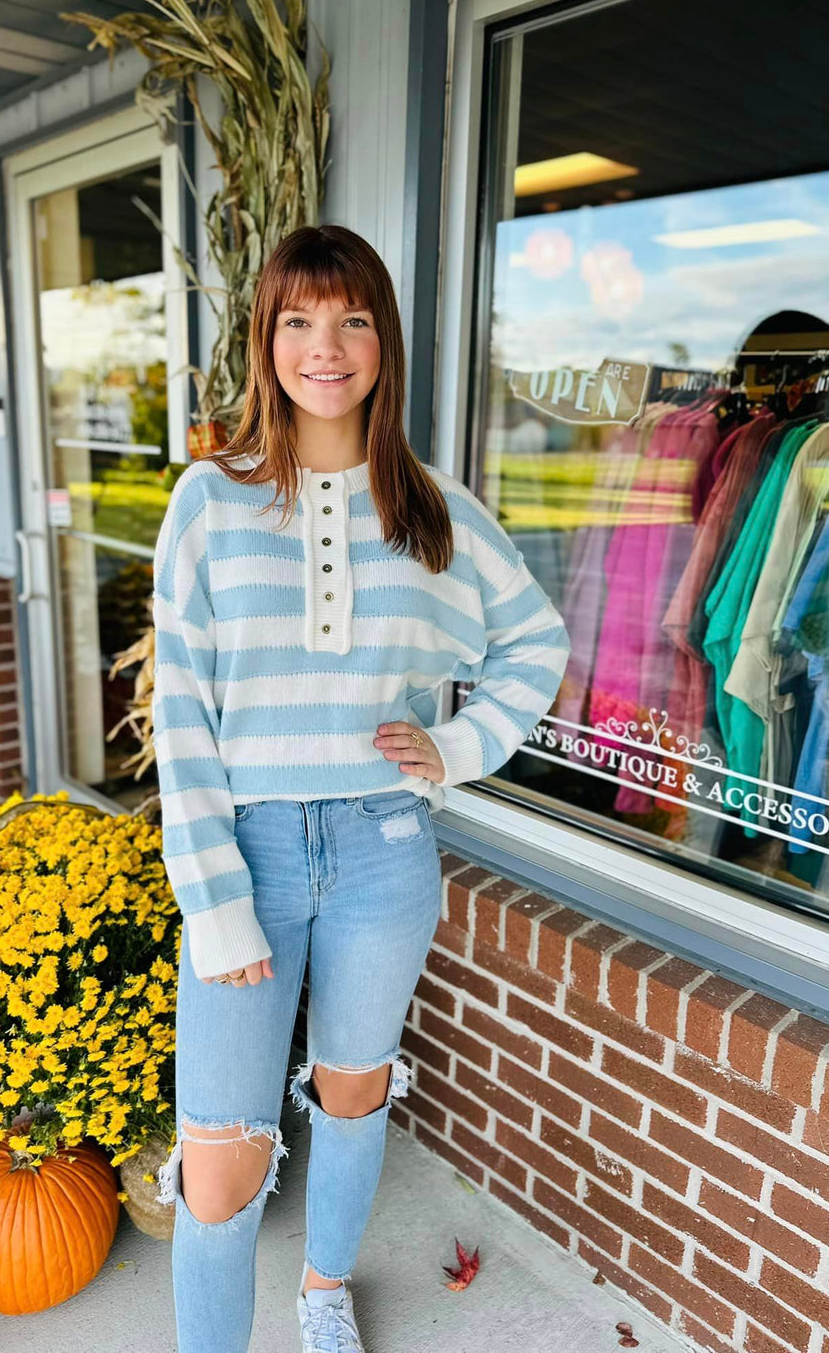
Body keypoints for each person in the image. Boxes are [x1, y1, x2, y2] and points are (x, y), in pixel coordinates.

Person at [150, 224, 570, 1353]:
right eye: (297, 319)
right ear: (265, 339)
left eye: (351, 319)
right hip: (247, 851)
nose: (323, 346)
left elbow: (534, 640)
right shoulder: (210, 499)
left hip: (385, 850)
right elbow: (180, 710)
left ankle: (324, 1289)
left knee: (352, 1092)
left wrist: (463, 745)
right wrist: (214, 898)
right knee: (222, 1155)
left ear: (381, 339)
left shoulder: (432, 507)